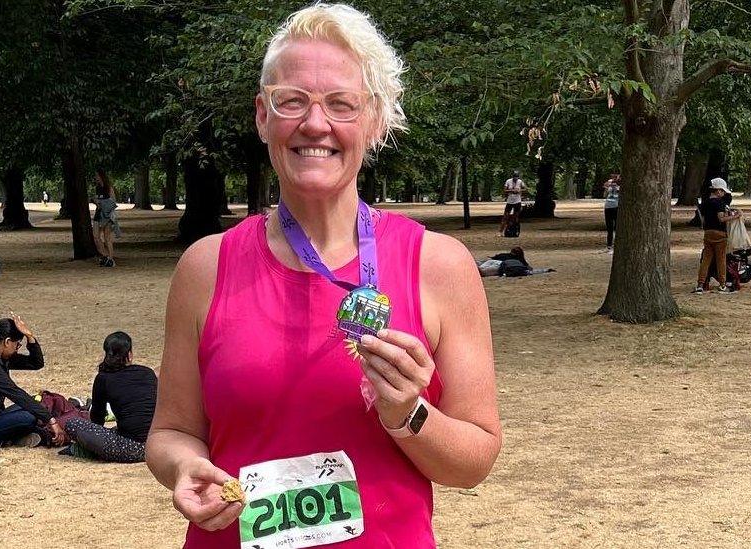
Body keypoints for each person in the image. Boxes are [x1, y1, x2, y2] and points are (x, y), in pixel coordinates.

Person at [145, 5, 501, 547]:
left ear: (375, 120)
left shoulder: (439, 265)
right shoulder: (205, 267)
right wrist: (184, 467)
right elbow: (171, 432)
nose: (316, 124)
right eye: (293, 101)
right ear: (263, 116)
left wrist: (409, 413)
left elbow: (473, 462)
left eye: (341, 104)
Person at [0, 315, 68, 448]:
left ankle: (15, 436)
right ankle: (16, 437)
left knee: (40, 402)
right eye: (17, 345)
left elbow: (36, 363)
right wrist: (50, 420)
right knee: (29, 416)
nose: (17, 349)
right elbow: (14, 393)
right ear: (7, 342)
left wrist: (30, 336)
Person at [61, 332, 157, 462]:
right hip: (157, 445)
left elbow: (97, 418)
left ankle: (82, 450)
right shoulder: (148, 373)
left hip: (131, 448)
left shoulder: (103, 378)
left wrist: (94, 436)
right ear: (129, 355)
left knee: (73, 423)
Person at [695, 178, 741, 294]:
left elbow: (703, 219)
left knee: (706, 260)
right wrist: (736, 216)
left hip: (708, 233)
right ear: (718, 191)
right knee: (721, 259)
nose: (724, 194)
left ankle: (700, 284)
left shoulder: (705, 203)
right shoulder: (719, 203)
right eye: (723, 191)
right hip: (720, 234)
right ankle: (722, 284)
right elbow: (721, 219)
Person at [93, 173, 121, 267]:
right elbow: (97, 200)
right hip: (98, 213)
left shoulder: (108, 188)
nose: (96, 178)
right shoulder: (97, 188)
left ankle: (111, 259)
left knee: (107, 237)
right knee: (96, 237)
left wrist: (105, 205)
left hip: (107, 215)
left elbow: (113, 202)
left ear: (102, 176)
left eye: (97, 176)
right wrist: (96, 202)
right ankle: (105, 256)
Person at [498, 170, 526, 236]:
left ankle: (515, 230)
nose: (515, 179)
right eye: (514, 177)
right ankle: (500, 232)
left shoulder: (520, 182)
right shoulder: (508, 181)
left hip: (517, 201)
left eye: (517, 177)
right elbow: (504, 190)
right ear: (512, 177)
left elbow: (525, 189)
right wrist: (511, 190)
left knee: (516, 217)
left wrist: (519, 190)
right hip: (510, 201)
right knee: (505, 216)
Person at [603, 174, 620, 254]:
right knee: (609, 228)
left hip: (616, 207)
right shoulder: (610, 183)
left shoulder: (621, 184)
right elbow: (605, 188)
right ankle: (609, 246)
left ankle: (615, 246)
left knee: (616, 227)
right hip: (608, 207)